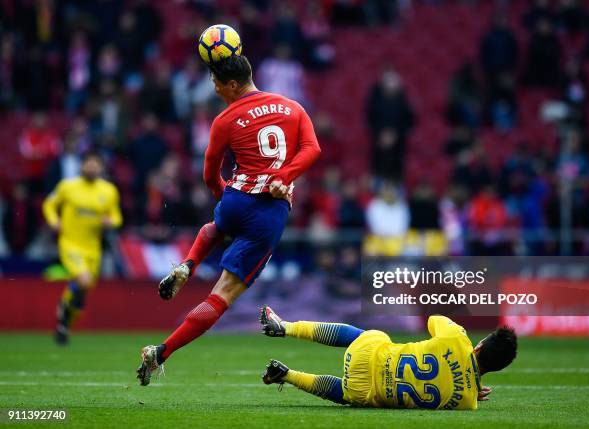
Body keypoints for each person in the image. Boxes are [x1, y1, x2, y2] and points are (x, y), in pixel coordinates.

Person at [137, 55, 321, 386]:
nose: (215, 89)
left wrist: (226, 194)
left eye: (217, 83)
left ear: (233, 84)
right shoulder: (293, 107)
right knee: (221, 296)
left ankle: (189, 264)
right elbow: (312, 149)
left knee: (218, 226)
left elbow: (209, 174)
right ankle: (160, 352)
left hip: (237, 196)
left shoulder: (224, 119)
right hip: (269, 211)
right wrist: (284, 176)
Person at [260, 306, 517, 410]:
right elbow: (462, 381)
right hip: (366, 392)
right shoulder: (468, 402)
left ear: (480, 346)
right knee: (350, 394)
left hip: (367, 354)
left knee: (368, 336)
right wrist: (473, 384)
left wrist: (462, 344)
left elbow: (433, 320)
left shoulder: (457, 338)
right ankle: (288, 375)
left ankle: (284, 327)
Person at [42, 151, 122, 345]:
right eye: (89, 163)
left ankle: (64, 324)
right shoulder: (67, 187)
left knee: (84, 290)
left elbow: (117, 217)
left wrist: (109, 222)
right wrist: (54, 221)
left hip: (93, 249)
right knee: (84, 281)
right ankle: (64, 312)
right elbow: (49, 204)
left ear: (101, 168)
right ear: (82, 166)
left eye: (96, 164)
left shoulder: (109, 191)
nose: (92, 167)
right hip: (70, 243)